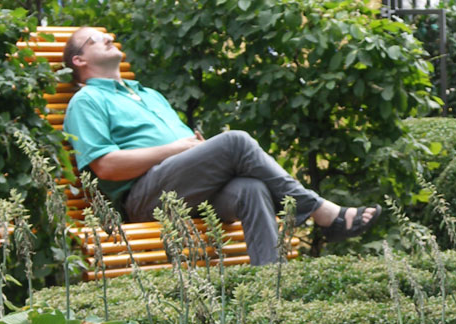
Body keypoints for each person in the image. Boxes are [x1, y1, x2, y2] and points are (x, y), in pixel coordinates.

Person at [61, 27, 380, 265]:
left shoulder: (148, 94)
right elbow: (105, 165)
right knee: (235, 140)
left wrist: (192, 150)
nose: (106, 38)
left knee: (250, 188)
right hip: (146, 198)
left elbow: (190, 148)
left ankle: (273, 295)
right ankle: (324, 213)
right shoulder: (86, 100)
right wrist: (176, 150)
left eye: (106, 35)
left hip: (188, 189)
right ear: (79, 60)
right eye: (94, 39)